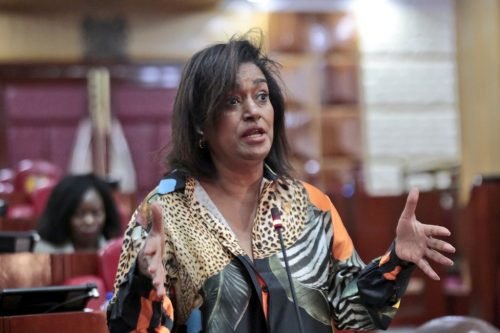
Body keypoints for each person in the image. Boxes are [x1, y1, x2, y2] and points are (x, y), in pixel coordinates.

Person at [107, 33, 455, 333]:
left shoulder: (309, 206)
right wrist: (142, 282)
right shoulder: (162, 213)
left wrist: (396, 261)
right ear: (200, 124)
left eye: (261, 96)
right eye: (231, 101)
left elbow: (353, 317)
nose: (253, 111)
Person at [34, 173, 122, 253]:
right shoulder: (44, 251)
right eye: (79, 214)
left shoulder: (119, 251)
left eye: (96, 213)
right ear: (63, 215)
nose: (89, 221)